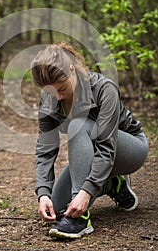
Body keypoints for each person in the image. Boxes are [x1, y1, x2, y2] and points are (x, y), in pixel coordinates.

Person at [30, 42, 149, 239]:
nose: (57, 97)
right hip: (96, 154)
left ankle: (81, 220)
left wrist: (84, 194)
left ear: (72, 70)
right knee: (60, 208)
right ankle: (113, 185)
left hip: (129, 150)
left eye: (61, 88)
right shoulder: (49, 98)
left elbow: (106, 147)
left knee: (78, 125)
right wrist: (43, 193)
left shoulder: (104, 89)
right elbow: (45, 149)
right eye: (51, 92)